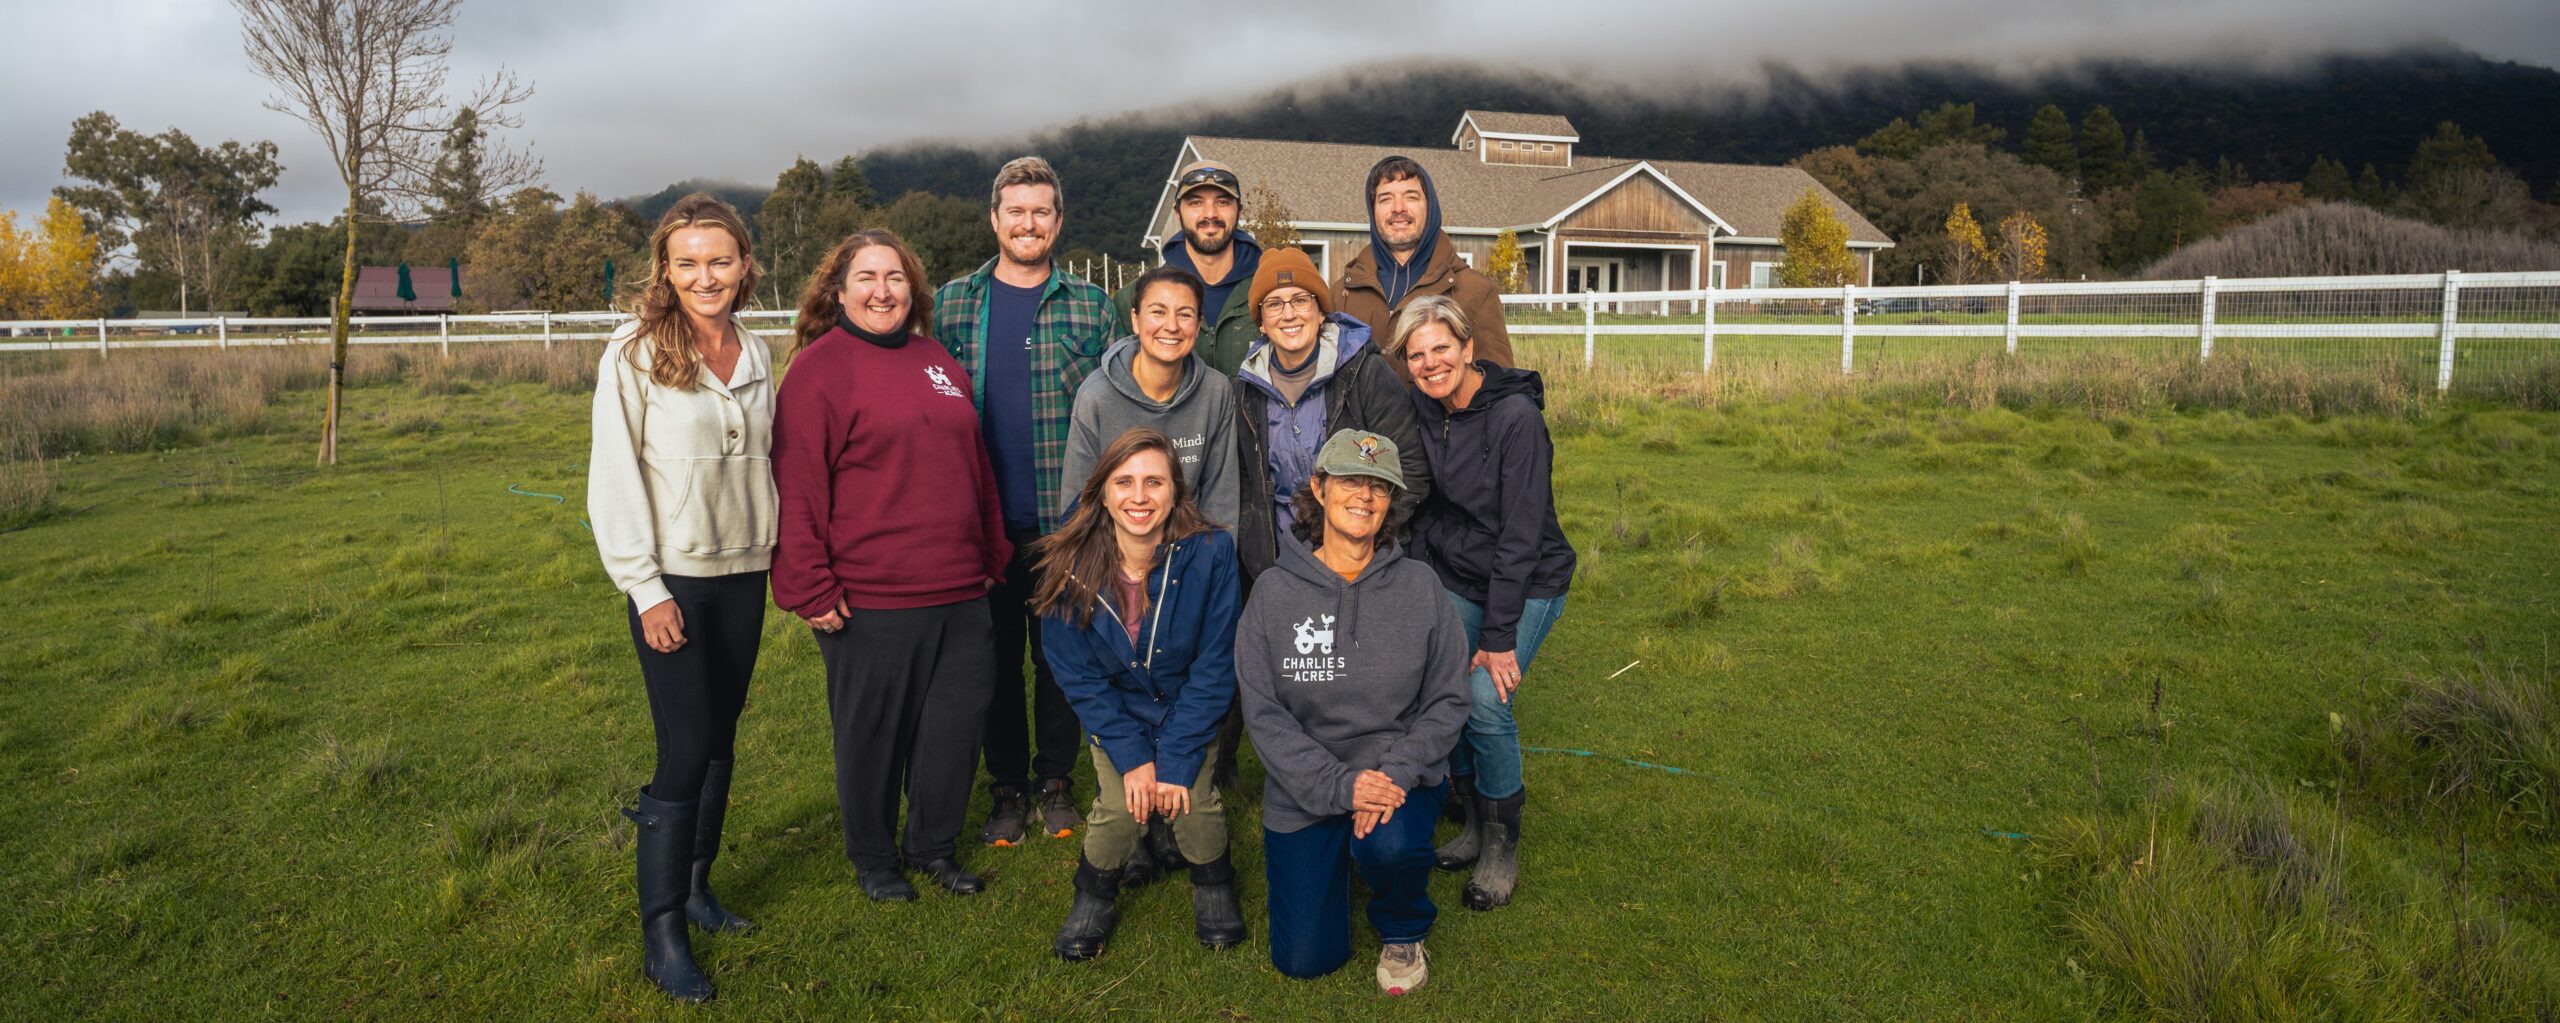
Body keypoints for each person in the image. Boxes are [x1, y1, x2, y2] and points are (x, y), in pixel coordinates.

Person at [774, 229, 1009, 904]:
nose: (883, 291)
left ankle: (933, 847)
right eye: (867, 277)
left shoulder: (936, 360)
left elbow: (974, 463)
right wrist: (809, 585)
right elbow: (797, 485)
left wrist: (991, 552)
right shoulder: (820, 369)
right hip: (870, 596)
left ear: (914, 289)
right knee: (873, 735)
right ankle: (875, 859)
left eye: (896, 277)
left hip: (960, 588)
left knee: (953, 729)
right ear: (838, 290)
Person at [588, 193, 773, 1003]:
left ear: (744, 265)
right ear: (665, 269)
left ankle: (697, 887)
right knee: (686, 745)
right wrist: (644, 587)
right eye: (688, 262)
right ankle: (661, 930)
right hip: (674, 582)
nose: (706, 276)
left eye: (720, 261)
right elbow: (613, 475)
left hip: (746, 573)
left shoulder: (757, 350)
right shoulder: (633, 351)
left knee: (721, 736)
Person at [1236, 429, 1470, 995]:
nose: (1364, 496)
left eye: (1378, 486)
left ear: (1390, 502)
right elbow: (1264, 715)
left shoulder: (1420, 587)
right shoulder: (1272, 593)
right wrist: (1343, 787)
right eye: (1350, 481)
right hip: (1305, 782)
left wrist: (1395, 774)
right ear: (1318, 488)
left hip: (1395, 777)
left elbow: (1448, 698)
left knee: (1390, 846)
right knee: (1305, 960)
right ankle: (1338, 856)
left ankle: (1402, 925)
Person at [931, 156, 1117, 848]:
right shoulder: (953, 304)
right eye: (1016, 211)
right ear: (995, 219)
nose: (1028, 223)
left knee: (1061, 658)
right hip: (979, 524)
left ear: (1058, 222)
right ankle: (1006, 785)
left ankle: (1055, 780)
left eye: (1041, 211)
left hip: (1064, 521)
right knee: (994, 660)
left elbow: (1113, 413)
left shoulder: (1092, 307)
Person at [1218, 246, 1433, 786]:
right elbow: (1243, 480)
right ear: (1260, 320)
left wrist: (1365, 532)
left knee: (1356, 665)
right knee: (1276, 661)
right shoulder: (1244, 389)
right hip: (1276, 555)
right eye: (1274, 304)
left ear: (1321, 310)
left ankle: (1384, 762)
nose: (1289, 313)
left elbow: (1409, 467)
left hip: (1358, 546)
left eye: (1301, 300)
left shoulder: (1363, 374)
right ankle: (1224, 769)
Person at [1034, 428, 1245, 961]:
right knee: (1121, 807)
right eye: (1124, 482)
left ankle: (1214, 884)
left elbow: (1216, 664)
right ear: (1102, 493)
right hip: (1119, 714)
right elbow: (1078, 676)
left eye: (1154, 482)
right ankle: (1093, 895)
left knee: (1193, 801)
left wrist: (1176, 756)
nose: (1139, 496)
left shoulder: (1212, 552)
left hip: (1186, 711)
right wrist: (1132, 757)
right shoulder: (1068, 562)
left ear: (1176, 491)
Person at [1396, 295, 1576, 912]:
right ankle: (1472, 822)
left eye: (1441, 348)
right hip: (1461, 571)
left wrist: (1497, 639)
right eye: (1416, 355)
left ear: (1469, 347)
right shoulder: (1426, 408)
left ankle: (1501, 847)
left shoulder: (1516, 419)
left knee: (1483, 699)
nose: (1430, 364)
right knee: (1443, 685)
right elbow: (1429, 503)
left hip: (1529, 578)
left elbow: (1521, 536)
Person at [1063, 264, 1239, 530]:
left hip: (1191, 546)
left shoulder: (1216, 391)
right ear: (1135, 319)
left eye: (1185, 314)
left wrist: (1210, 555)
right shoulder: (1095, 395)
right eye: (1158, 312)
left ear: (1198, 324)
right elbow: (1079, 502)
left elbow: (1221, 499)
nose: (1172, 326)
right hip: (1113, 548)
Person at [1331, 155, 1515, 382]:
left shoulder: (1476, 292)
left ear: (1430, 206)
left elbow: (1501, 387)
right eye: (1386, 199)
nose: (1398, 208)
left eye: (1411, 197)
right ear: (1373, 210)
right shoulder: (1342, 295)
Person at [1113, 159, 1261, 374]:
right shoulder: (1133, 298)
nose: (1210, 214)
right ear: (1177, 212)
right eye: (1195, 203)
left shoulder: (1271, 293)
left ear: (1239, 210)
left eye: (1222, 202)